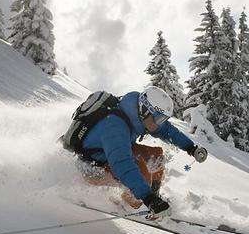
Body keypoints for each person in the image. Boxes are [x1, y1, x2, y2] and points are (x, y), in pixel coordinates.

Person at [75, 87, 207, 218]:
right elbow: (123, 165)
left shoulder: (138, 115)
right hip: (92, 168)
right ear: (145, 110)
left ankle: (154, 199)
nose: (158, 124)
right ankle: (129, 207)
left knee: (156, 156)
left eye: (161, 119)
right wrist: (147, 198)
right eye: (158, 119)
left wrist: (191, 148)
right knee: (142, 175)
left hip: (110, 156)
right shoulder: (114, 127)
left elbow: (166, 130)